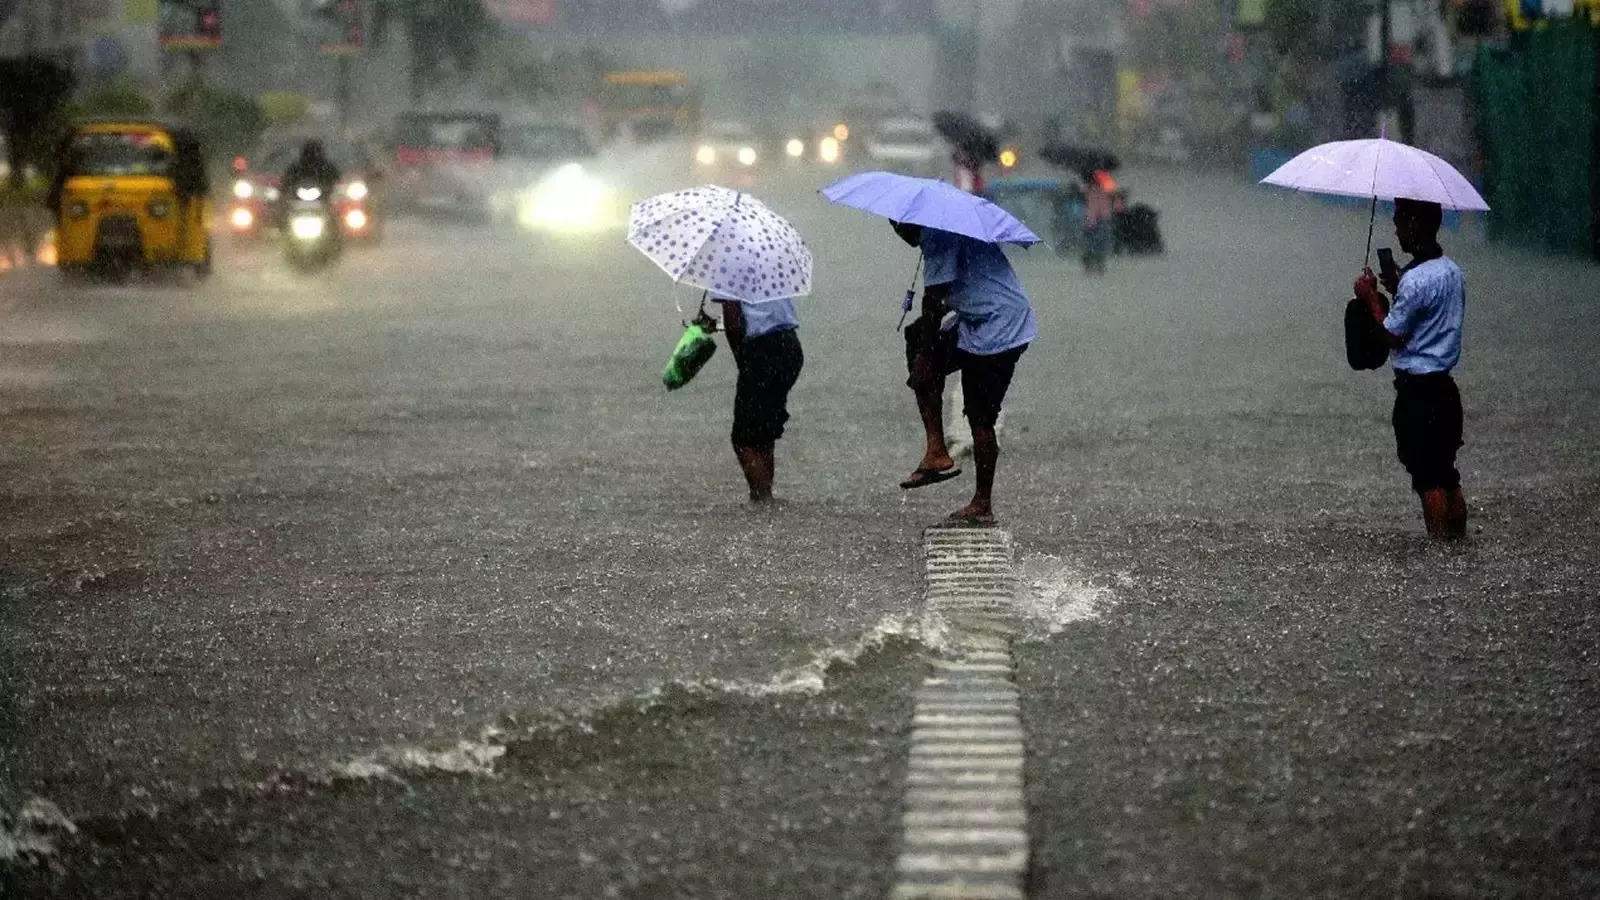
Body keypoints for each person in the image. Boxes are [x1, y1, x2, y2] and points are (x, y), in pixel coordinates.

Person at [893, 221, 1036, 526]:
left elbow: (934, 299)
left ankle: (982, 503)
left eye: (898, 225)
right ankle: (936, 450)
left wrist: (928, 360)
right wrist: (926, 356)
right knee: (918, 339)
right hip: (975, 318)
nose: (898, 233)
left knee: (979, 413)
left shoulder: (939, 235)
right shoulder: (939, 233)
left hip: (1001, 326)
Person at [1354, 197, 1468, 540]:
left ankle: (1439, 555)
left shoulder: (1416, 283)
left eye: (1401, 218)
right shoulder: (1451, 271)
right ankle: (1458, 547)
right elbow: (1427, 304)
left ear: (1417, 224)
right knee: (1447, 474)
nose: (1395, 226)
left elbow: (1392, 335)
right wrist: (1399, 282)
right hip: (1447, 392)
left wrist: (1371, 298)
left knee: (1427, 478)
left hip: (1418, 394)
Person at [714, 295, 804, 504]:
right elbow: (762, 314)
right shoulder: (775, 262)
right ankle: (763, 500)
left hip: (761, 352)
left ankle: (763, 501)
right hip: (790, 347)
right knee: (764, 433)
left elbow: (733, 322)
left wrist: (742, 359)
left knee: (743, 439)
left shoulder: (728, 266)